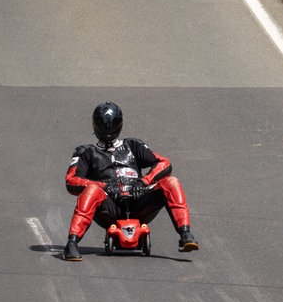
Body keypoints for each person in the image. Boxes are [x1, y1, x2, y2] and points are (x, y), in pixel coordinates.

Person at [63, 101, 199, 261]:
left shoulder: (133, 145)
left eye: (111, 125)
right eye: (103, 125)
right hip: (109, 207)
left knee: (172, 182)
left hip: (138, 203)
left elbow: (164, 163)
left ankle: (185, 234)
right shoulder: (85, 152)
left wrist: (143, 182)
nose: (107, 129)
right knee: (91, 190)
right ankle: (71, 244)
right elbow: (71, 180)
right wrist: (104, 186)